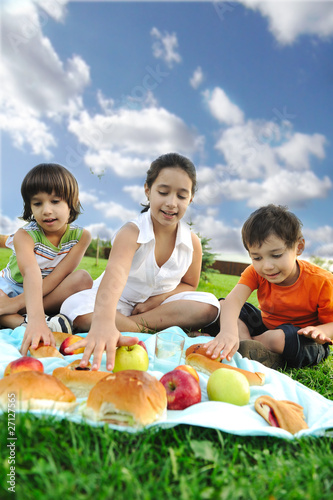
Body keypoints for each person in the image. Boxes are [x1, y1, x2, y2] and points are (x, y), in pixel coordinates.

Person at [61, 153, 220, 370]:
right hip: (115, 302)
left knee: (210, 305)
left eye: (181, 196)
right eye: (163, 192)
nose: (171, 203)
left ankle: (131, 327)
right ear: (148, 190)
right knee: (77, 308)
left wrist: (157, 300)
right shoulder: (132, 232)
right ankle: (148, 330)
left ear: (190, 199)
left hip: (159, 309)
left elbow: (190, 285)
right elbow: (113, 279)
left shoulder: (192, 242)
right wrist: (104, 321)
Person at [204, 204, 333, 369]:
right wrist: (228, 331)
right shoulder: (255, 272)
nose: (267, 266)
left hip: (301, 337)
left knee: (281, 339)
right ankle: (247, 346)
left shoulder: (322, 281)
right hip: (265, 327)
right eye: (257, 258)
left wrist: (321, 332)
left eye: (276, 255)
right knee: (223, 306)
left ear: (298, 247)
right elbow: (234, 300)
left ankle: (246, 345)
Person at [0, 163, 93, 355]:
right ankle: (38, 323)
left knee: (83, 278)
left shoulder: (82, 236)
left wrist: (16, 305)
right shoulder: (24, 236)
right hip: (12, 287)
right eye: (38, 203)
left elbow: (60, 275)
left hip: (46, 291)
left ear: (72, 202)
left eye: (55, 201)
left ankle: (16, 313)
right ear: (30, 207)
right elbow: (30, 273)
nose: (47, 210)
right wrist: (35, 319)